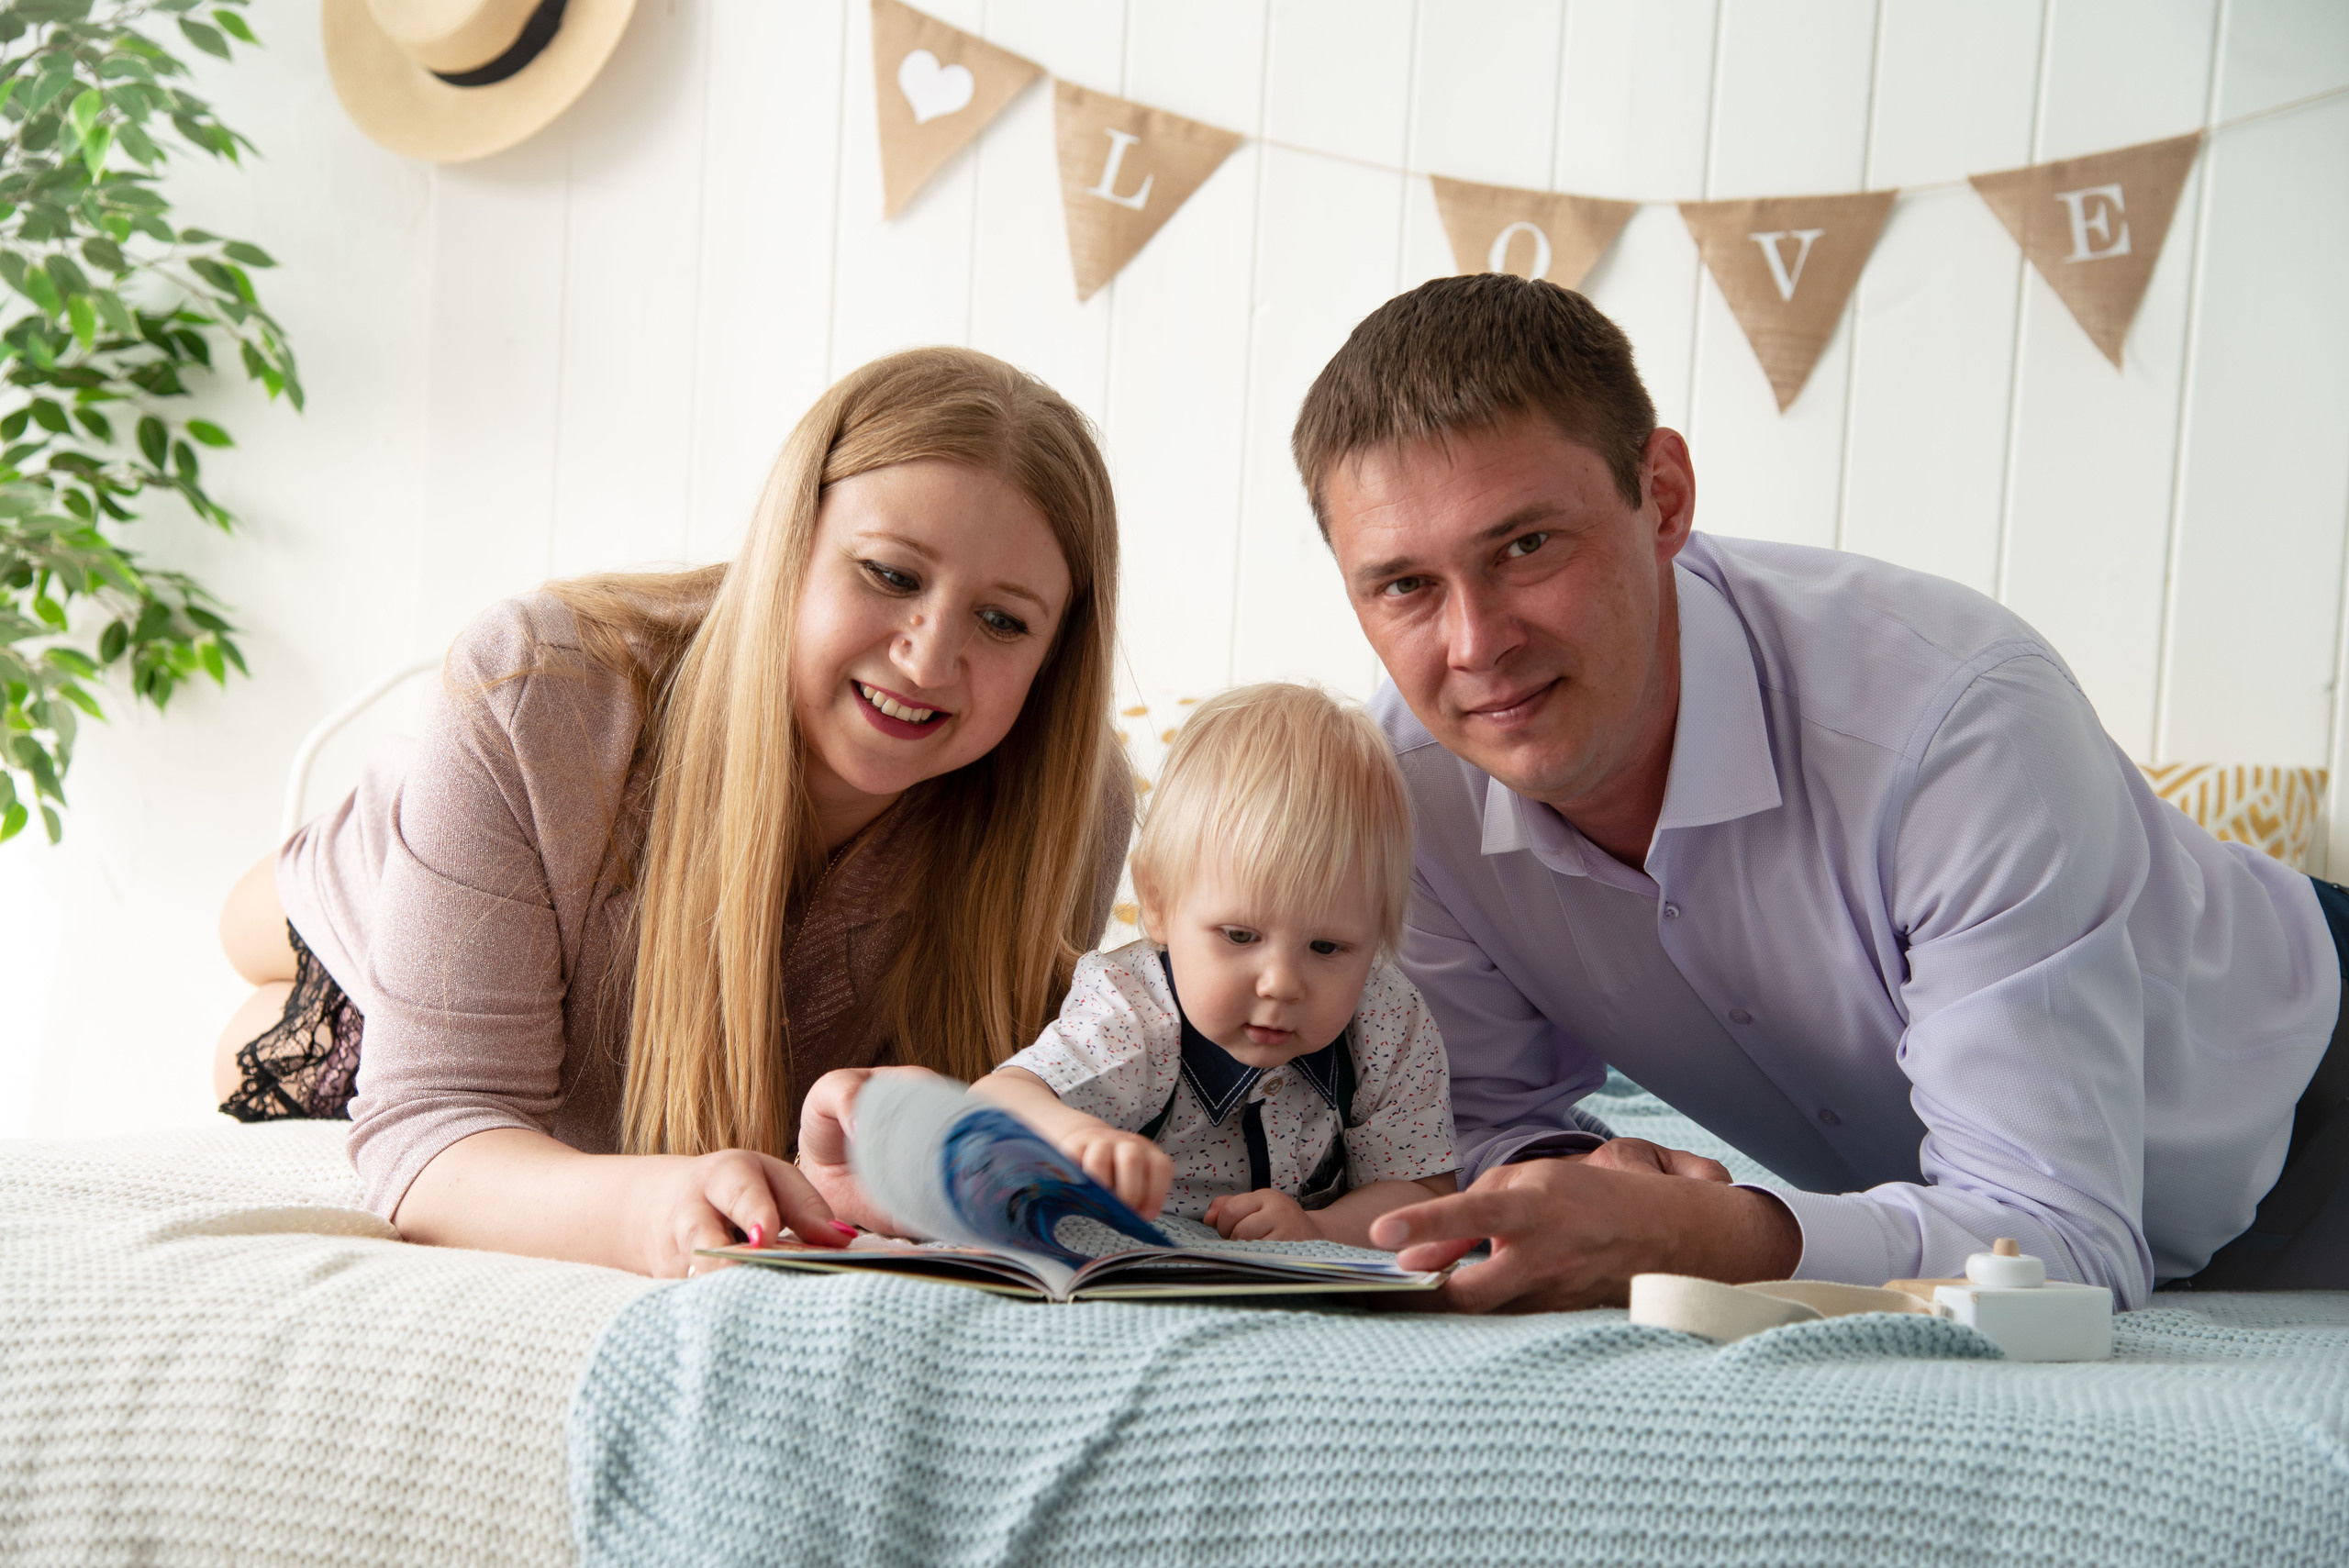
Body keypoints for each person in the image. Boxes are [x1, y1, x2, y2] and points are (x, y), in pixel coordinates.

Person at [1282, 273, 2345, 1311]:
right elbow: (1486, 1118)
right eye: (1405, 585)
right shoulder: (1402, 795)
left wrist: (1704, 1235)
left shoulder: (1956, 722)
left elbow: (2059, 1240)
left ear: (1662, 495)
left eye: (1525, 545)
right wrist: (1581, 1180)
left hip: (2309, 1113)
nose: (1477, 645)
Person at [210, 347, 1133, 1278]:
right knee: (250, 970)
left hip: (554, 925)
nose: (929, 660)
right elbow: (433, 1127)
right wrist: (652, 1208)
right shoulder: (541, 682)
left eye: (1004, 621)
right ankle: (363, 840)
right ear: (790, 546)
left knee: (253, 1029)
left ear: (1057, 651)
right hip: (402, 876)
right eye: (891, 574)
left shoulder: (1072, 810)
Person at [820, 683, 1463, 1251]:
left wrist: (1321, 1228)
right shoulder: (1138, 1007)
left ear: (1375, 935)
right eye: (1240, 935)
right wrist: (1074, 1135)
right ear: (1156, 903)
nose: (1282, 982)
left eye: (1329, 948)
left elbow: (1423, 1189)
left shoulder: (1386, 1020)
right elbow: (1000, 1096)